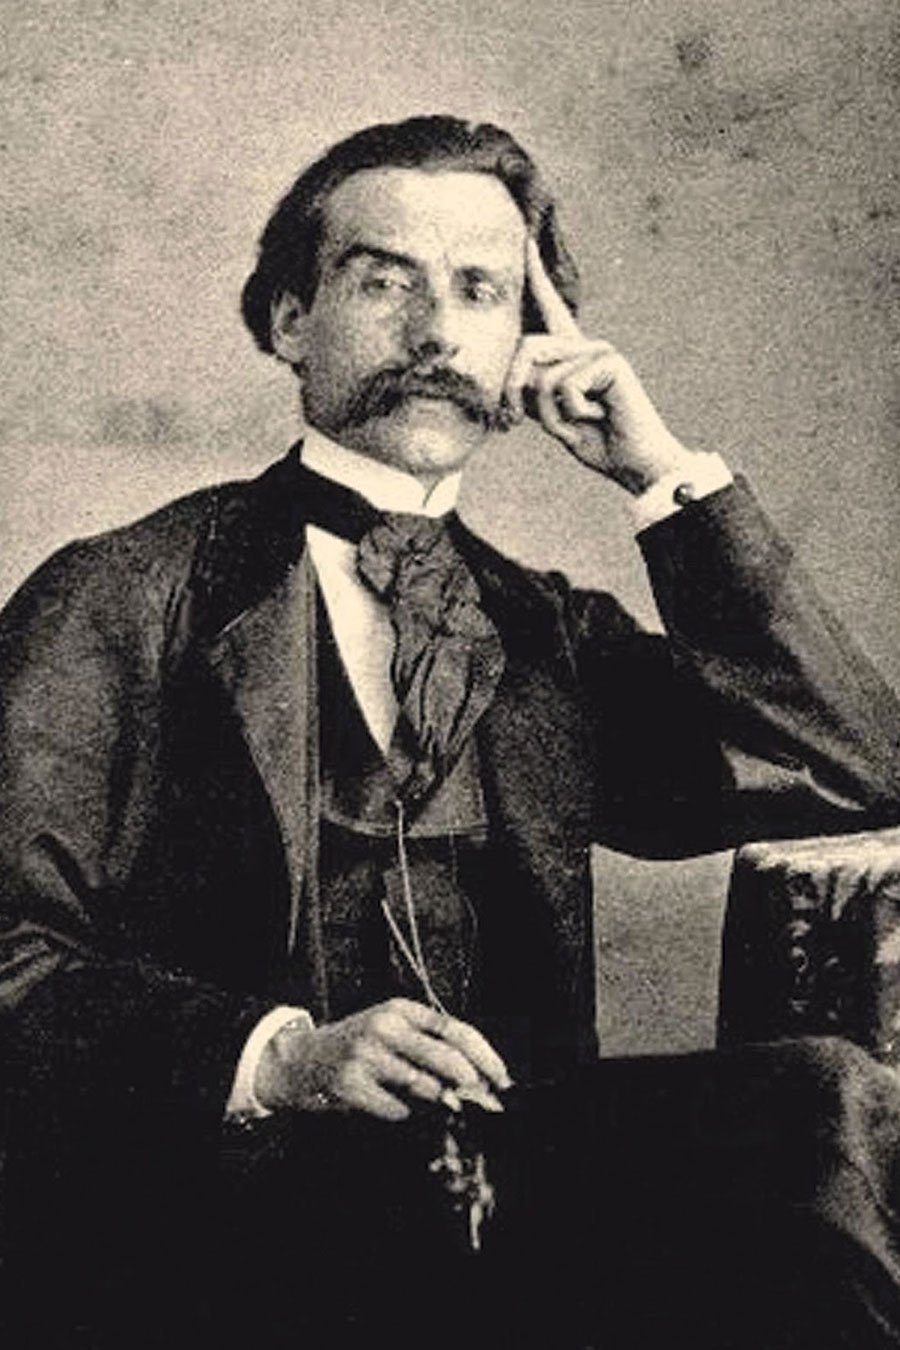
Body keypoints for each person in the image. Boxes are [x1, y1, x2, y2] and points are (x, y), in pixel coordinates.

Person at [2, 114, 900, 1348]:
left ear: (526, 343)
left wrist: (661, 476)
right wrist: (281, 1058)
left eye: (480, 290)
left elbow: (848, 769)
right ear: (291, 321)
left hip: (511, 1202)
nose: (434, 332)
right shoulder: (120, 595)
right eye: (384, 282)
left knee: (823, 1111)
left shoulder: (545, 630)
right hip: (214, 1222)